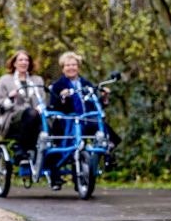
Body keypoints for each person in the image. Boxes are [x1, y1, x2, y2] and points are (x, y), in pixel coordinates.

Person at [47, 51, 121, 190]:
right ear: (63, 68)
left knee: (101, 126)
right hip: (66, 121)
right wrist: (63, 97)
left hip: (84, 120)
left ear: (78, 67)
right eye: (67, 65)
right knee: (65, 143)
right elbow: (53, 106)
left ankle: (105, 151)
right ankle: (62, 173)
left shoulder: (86, 83)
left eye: (74, 65)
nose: (71, 68)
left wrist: (104, 97)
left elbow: (94, 105)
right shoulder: (58, 85)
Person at [0, 50, 44, 158]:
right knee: (31, 113)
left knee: (49, 119)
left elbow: (42, 101)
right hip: (13, 117)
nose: (24, 62)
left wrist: (40, 108)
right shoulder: (5, 80)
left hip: (36, 116)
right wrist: (10, 98)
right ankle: (22, 149)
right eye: (20, 60)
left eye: (26, 60)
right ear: (14, 63)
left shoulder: (37, 80)